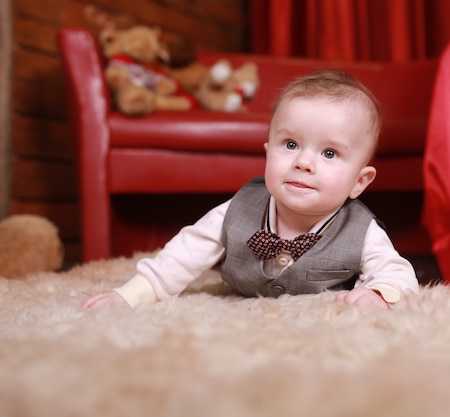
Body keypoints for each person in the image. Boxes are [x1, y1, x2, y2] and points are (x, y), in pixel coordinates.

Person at [80, 69, 419, 310]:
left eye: (329, 153)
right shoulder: (238, 209)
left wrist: (378, 294)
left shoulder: (361, 230)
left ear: (359, 182)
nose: (303, 162)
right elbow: (183, 253)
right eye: (289, 144)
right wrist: (132, 294)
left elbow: (396, 272)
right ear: (267, 151)